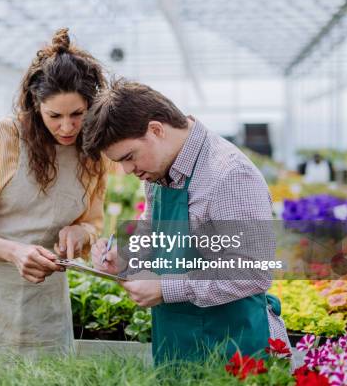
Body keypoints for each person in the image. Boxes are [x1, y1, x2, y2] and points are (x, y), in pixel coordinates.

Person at [82, 79, 289, 363]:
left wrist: (165, 288)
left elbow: (252, 271)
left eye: (129, 157)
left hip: (232, 347)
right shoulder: (161, 169)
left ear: (156, 130)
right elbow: (153, 225)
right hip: (179, 342)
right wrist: (124, 253)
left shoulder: (229, 175)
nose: (128, 170)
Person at [0, 29, 108, 356]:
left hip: (45, 303)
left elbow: (93, 222)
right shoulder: (0, 137)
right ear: (35, 105)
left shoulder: (93, 150)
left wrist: (80, 233)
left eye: (77, 114)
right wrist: (15, 252)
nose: (66, 127)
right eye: (54, 116)